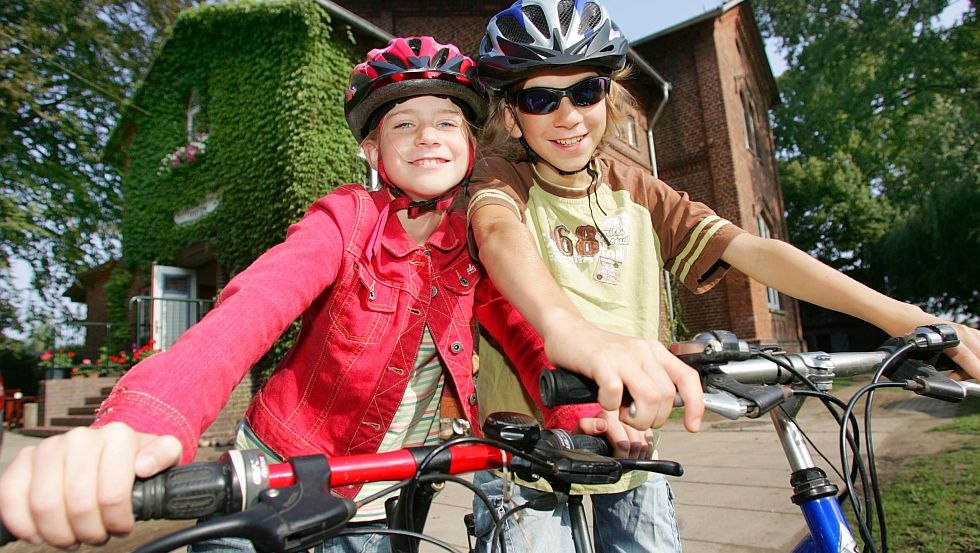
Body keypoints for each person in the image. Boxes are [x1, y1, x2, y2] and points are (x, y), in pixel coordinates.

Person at [465, 1, 980, 552]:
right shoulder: (500, 176)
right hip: (524, 450)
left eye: (586, 92)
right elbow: (497, 231)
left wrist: (913, 319)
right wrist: (568, 327)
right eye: (541, 99)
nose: (568, 116)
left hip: (637, 445)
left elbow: (754, 250)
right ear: (514, 117)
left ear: (609, 97)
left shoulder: (636, 189)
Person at [0, 36, 495, 552]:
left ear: (471, 143)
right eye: (404, 124)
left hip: (383, 507)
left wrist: (576, 415)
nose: (427, 137)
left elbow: (528, 332)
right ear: (372, 150)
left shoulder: (480, 245)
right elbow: (254, 305)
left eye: (446, 121)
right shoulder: (345, 219)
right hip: (272, 484)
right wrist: (143, 420)